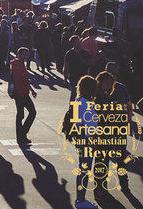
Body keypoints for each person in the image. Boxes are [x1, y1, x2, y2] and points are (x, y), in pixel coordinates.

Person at [71, 75, 99, 209]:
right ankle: (81, 200)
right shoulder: (87, 104)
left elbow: (77, 123)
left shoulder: (78, 100)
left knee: (83, 169)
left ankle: (80, 198)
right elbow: (90, 128)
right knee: (85, 170)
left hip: (81, 139)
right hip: (87, 140)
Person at [11, 47, 37, 144]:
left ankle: (22, 134)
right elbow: (19, 80)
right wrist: (26, 91)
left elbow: (25, 80)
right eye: (25, 54)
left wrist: (31, 90)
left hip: (23, 92)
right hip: (20, 93)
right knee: (25, 113)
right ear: (19, 54)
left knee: (25, 114)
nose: (27, 56)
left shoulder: (20, 64)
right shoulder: (17, 64)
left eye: (27, 54)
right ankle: (21, 135)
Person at [64, 35, 90, 101]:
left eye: (79, 42)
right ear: (72, 44)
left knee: (83, 94)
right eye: (77, 42)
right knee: (74, 93)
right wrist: (65, 78)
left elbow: (91, 64)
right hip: (73, 76)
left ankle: (79, 108)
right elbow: (66, 66)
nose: (79, 43)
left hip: (83, 76)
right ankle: (72, 109)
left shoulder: (85, 53)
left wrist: (83, 61)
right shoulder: (69, 53)